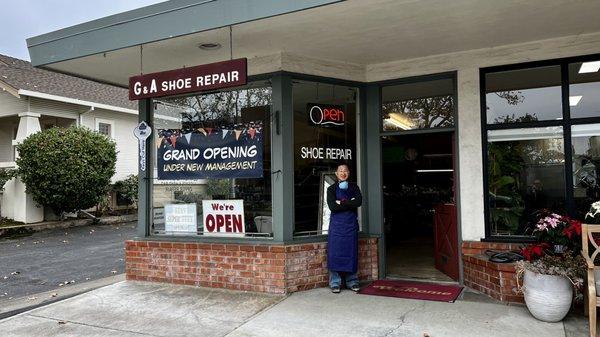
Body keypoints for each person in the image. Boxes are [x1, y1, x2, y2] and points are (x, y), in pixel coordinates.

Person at [326, 163, 362, 293]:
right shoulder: (331, 189)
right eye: (340, 171)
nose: (343, 173)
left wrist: (341, 202)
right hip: (336, 228)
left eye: (345, 170)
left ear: (348, 173)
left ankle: (352, 281)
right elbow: (332, 207)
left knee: (351, 253)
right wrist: (349, 202)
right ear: (336, 174)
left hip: (350, 226)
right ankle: (335, 282)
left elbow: (358, 202)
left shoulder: (354, 187)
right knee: (334, 254)